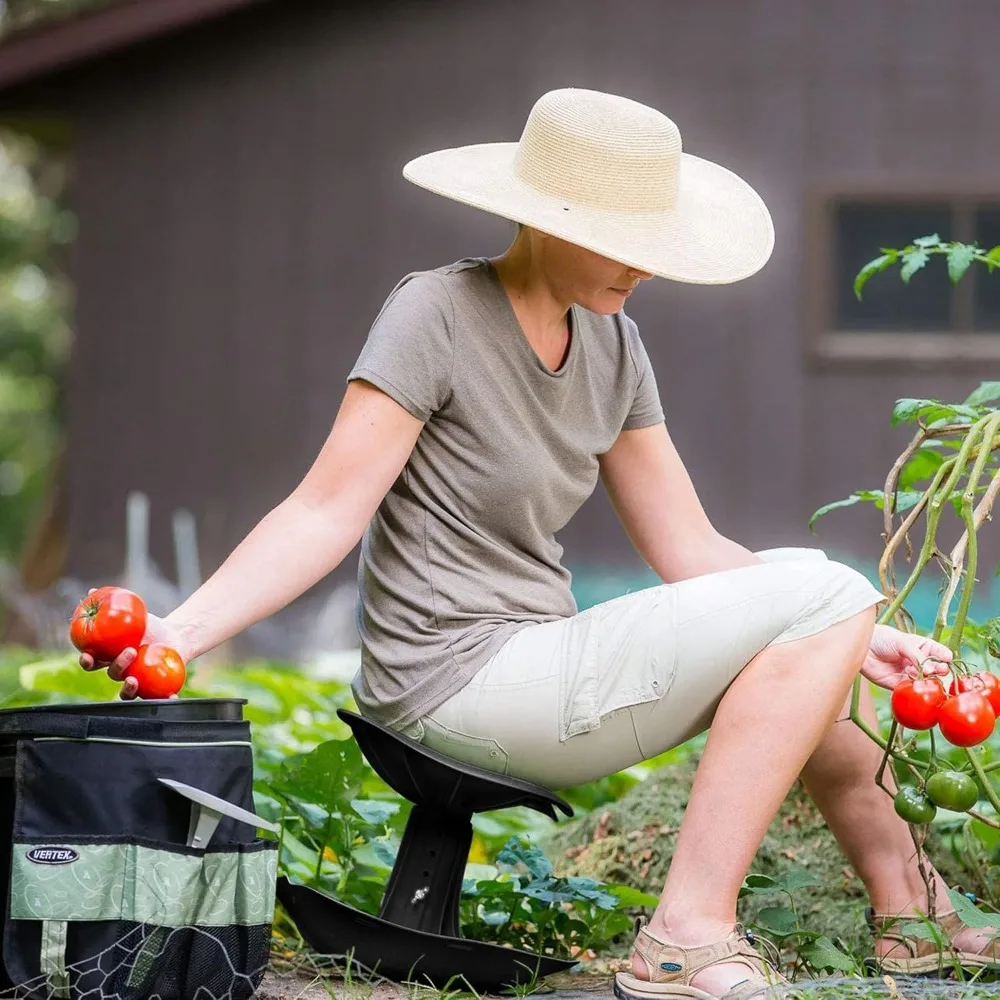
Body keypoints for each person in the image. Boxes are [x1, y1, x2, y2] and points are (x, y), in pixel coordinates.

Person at [80, 89, 995, 999]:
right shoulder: (436, 312)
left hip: (541, 663)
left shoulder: (615, 346)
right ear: (551, 220)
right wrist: (182, 631)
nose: (646, 267)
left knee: (816, 589)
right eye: (625, 241)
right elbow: (325, 509)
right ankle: (686, 936)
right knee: (820, 592)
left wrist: (854, 634)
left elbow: (688, 544)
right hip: (446, 681)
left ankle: (912, 917)